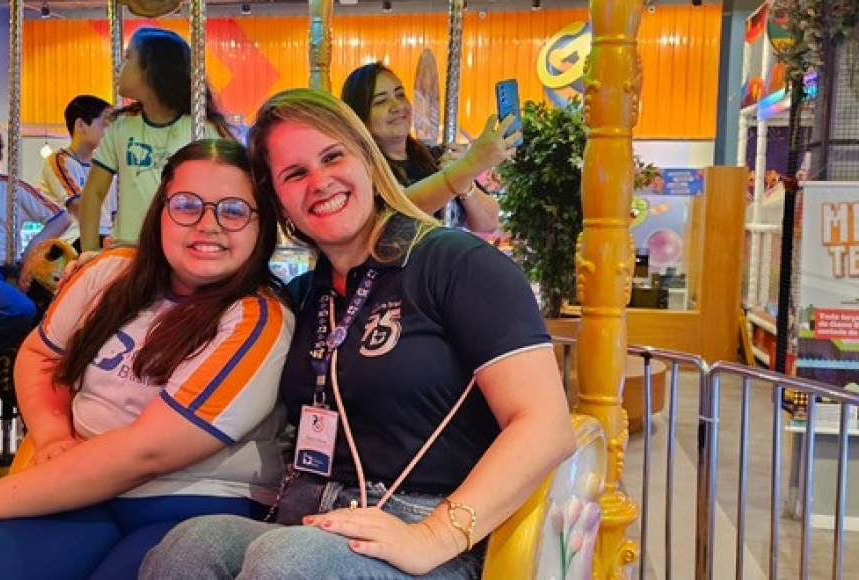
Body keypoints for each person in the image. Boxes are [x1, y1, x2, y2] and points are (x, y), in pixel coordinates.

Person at [140, 89, 575, 580]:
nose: (320, 182)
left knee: (289, 561)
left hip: (427, 531)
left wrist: (434, 536)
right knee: (191, 545)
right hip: (308, 517)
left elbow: (546, 425)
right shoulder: (304, 295)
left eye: (332, 157)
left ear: (368, 160)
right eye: (295, 174)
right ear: (279, 202)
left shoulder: (457, 264)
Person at [0, 139, 295, 580]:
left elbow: (147, 452)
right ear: (160, 211)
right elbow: (42, 355)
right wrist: (52, 436)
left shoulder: (256, 319)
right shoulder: (111, 272)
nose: (207, 225)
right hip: (78, 486)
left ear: (261, 225)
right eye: (186, 205)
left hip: (192, 499)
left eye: (233, 211)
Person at [78, 27, 236, 252]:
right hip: (129, 248)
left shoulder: (202, 130)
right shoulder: (121, 128)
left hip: (181, 251)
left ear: (151, 71)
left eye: (128, 58)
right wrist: (89, 252)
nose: (119, 67)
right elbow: (93, 193)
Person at [0, 112, 71, 380]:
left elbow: (61, 217)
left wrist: (32, 250)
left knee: (53, 310)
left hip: (7, 268)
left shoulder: (10, 189)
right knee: (19, 309)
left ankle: (5, 362)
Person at [340, 62, 514, 234]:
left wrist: (466, 184)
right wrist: (469, 167)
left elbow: (488, 223)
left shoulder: (436, 155)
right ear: (359, 117)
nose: (397, 106)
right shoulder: (364, 171)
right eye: (381, 101)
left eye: (400, 95)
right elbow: (402, 213)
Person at [40, 94, 120, 252]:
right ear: (80, 125)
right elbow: (78, 207)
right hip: (73, 238)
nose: (110, 133)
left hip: (106, 236)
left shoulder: (106, 164)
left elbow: (115, 212)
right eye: (105, 125)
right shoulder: (59, 161)